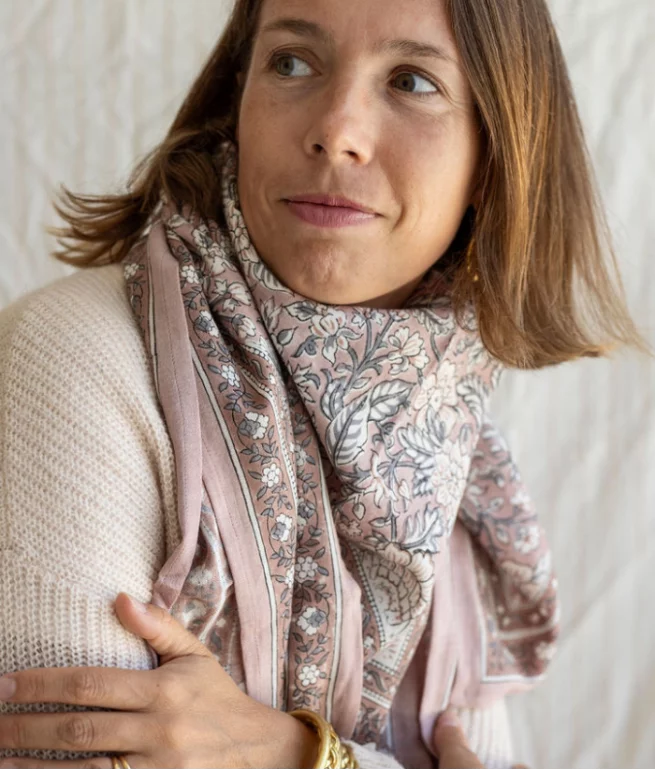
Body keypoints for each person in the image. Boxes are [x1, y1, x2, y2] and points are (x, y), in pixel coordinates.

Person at [0, 0, 651, 767]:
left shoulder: (445, 433)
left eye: (410, 81)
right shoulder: (74, 356)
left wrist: (296, 754)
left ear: (493, 154)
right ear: (237, 100)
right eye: (292, 62)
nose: (336, 130)